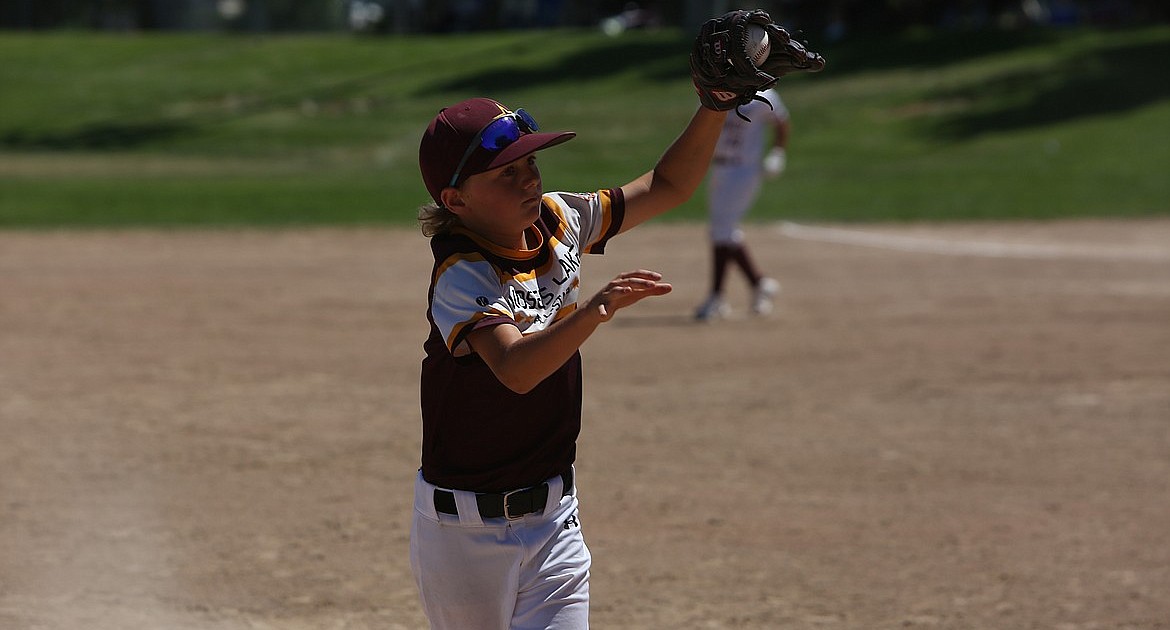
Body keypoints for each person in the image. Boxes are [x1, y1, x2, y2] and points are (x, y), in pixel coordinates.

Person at [411, 95, 728, 629]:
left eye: (530, 163)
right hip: (465, 535)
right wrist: (592, 311)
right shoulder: (462, 272)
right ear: (455, 200)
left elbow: (668, 186)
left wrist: (714, 105)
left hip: (555, 519)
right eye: (505, 173)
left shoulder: (560, 219)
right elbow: (516, 370)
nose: (528, 180)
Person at [693, 86, 790, 321]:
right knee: (725, 231)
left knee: (721, 230)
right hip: (719, 167)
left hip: (743, 169)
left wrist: (778, 153)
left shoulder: (763, 96)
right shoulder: (717, 89)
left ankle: (717, 297)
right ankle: (758, 283)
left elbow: (782, 122)